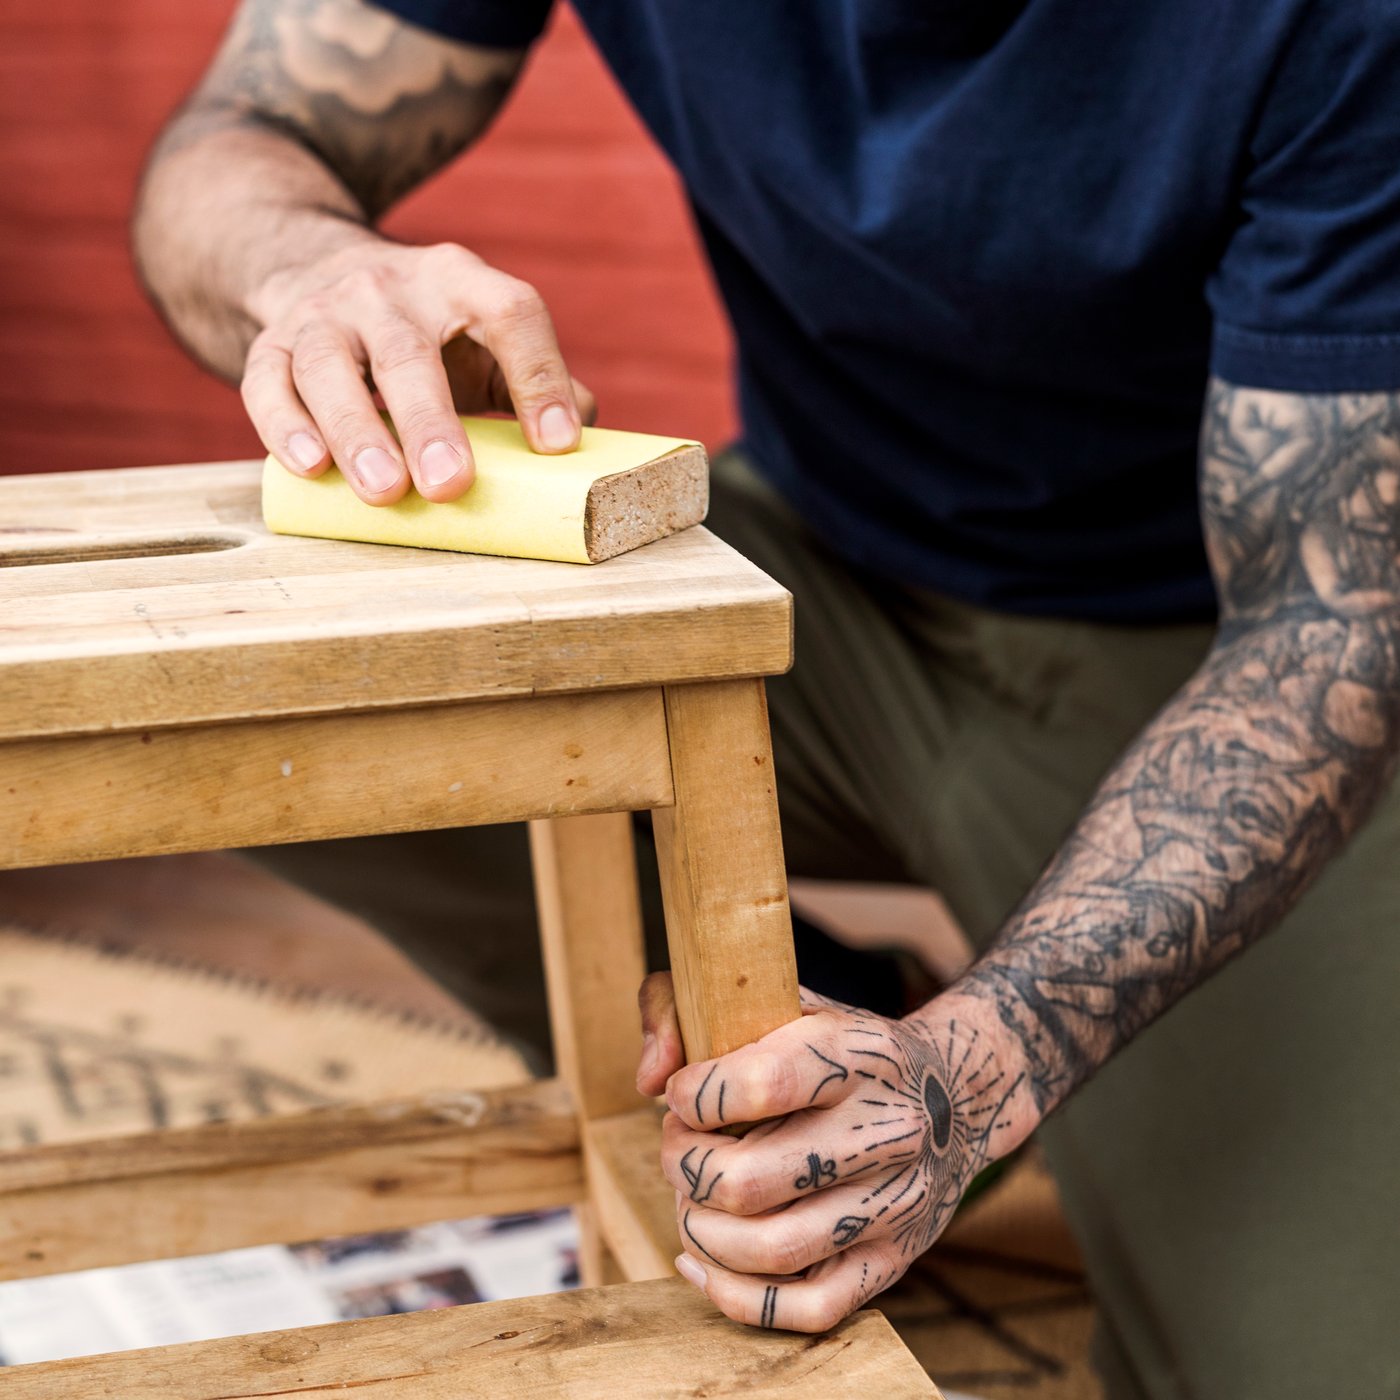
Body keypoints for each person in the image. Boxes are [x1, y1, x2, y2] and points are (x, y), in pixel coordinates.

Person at [132, 3, 1400, 1395]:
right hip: (796, 570)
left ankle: (934, 1090)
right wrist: (309, 264)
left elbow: (1331, 630)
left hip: (1205, 653)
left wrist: (977, 1074)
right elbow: (241, 139)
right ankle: (826, 1048)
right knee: (210, 717)